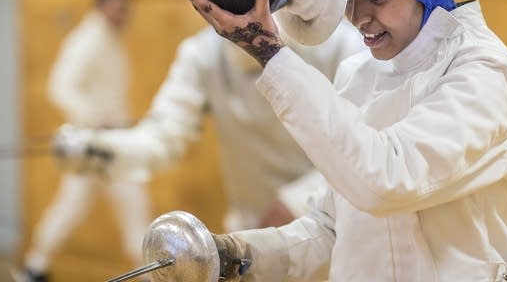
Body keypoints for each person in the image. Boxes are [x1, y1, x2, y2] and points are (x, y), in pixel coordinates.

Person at [182, 0, 507, 282]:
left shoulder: (483, 70)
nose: (358, 17)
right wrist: (233, 255)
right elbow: (329, 227)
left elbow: (387, 180)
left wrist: (268, 51)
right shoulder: (358, 74)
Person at [74, 18, 363, 233]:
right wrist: (98, 149)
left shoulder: (338, 45)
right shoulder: (202, 54)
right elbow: (164, 136)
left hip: (331, 226)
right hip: (250, 229)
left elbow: (362, 151)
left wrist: (297, 202)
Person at [13, 0, 151, 282]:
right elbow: (60, 86)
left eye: (124, 8)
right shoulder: (89, 39)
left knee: (93, 205)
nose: (121, 14)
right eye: (116, 7)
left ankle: (34, 267)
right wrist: (93, 118)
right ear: (101, 7)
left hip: (109, 140)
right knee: (128, 204)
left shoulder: (107, 38)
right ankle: (151, 273)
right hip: (97, 142)